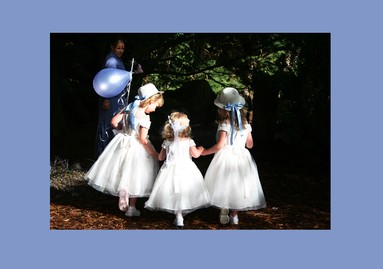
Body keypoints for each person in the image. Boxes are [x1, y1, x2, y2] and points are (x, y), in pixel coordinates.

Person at [85, 83, 164, 217]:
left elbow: (114, 122)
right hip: (137, 148)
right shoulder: (145, 118)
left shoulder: (129, 108)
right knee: (137, 175)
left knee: (121, 169)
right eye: (156, 105)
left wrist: (123, 130)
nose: (155, 109)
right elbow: (143, 140)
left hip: (122, 141)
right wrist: (154, 153)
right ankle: (132, 208)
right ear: (150, 100)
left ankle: (123, 192)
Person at [201, 87, 266, 225]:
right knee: (239, 184)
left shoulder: (224, 124)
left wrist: (204, 152)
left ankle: (223, 206)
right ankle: (234, 216)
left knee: (224, 182)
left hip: (226, 155)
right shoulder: (247, 125)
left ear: (223, 109)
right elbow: (250, 145)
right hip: (242, 157)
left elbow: (219, 145)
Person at [144, 112, 210, 228]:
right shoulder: (189, 141)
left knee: (172, 191)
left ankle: (178, 215)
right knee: (184, 189)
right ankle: (180, 215)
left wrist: (153, 154)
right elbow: (195, 155)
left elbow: (161, 158)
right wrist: (200, 150)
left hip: (170, 170)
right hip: (186, 169)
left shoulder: (167, 142)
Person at [95, 39, 127, 159]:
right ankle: (103, 157)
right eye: (118, 48)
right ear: (112, 47)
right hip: (110, 98)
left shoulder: (118, 59)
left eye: (123, 48)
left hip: (117, 98)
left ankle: (111, 158)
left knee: (116, 123)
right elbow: (106, 81)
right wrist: (106, 99)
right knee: (109, 124)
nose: (121, 51)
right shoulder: (111, 60)